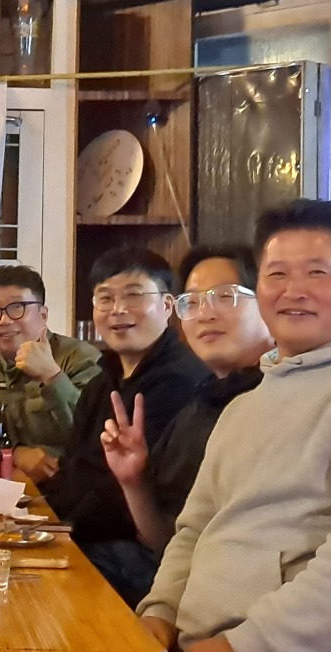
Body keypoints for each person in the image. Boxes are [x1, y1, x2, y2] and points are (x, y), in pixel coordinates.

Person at [138, 199, 331, 652]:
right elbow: (195, 530)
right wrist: (159, 614)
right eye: (277, 274)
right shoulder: (244, 404)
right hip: (206, 648)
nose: (293, 291)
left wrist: (245, 647)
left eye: (317, 273)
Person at [98, 245, 273, 602]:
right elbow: (165, 542)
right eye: (191, 302)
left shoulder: (277, 399)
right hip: (177, 584)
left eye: (224, 296)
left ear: (269, 303)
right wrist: (134, 481)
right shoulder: (205, 399)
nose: (204, 314)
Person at [45, 247, 208, 605]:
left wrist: (60, 528)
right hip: (91, 534)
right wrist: (40, 517)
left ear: (168, 305)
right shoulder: (102, 381)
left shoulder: (181, 381)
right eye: (105, 298)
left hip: (152, 552)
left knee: (38, 587)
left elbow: (117, 496)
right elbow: (74, 467)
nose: (117, 309)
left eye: (134, 295)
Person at [0, 265, 101, 483]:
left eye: (17, 307)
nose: (4, 320)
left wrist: (52, 376)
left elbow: (94, 433)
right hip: (3, 487)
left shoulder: (80, 358)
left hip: (69, 488)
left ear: (43, 314)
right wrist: (14, 453)